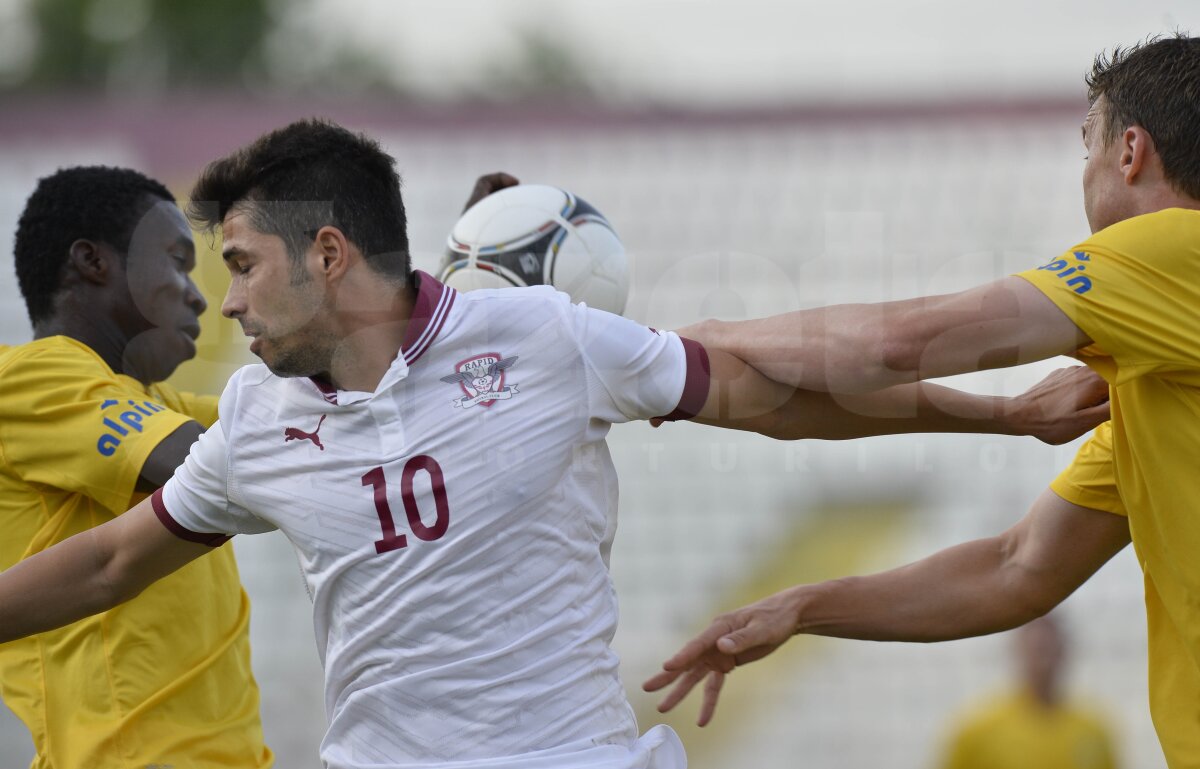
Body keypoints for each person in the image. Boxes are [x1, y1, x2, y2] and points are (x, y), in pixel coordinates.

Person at [0, 119, 1107, 769]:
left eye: (240, 265)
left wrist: (1000, 411)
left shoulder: (541, 338)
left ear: (326, 254)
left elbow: (777, 396)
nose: (229, 302)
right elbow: (106, 560)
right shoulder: (256, 417)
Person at [643, 34, 1200, 769]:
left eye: (1087, 145)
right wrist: (804, 605)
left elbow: (896, 344)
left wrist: (702, 336)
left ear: (1129, 151)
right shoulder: (1157, 381)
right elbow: (1016, 567)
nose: (1085, 169)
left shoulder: (1173, 246)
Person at [0, 166, 272, 767]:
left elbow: (300, 425)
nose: (200, 294)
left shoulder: (159, 405)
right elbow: (233, 460)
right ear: (92, 262)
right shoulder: (27, 375)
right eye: (176, 261)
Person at [938, 615, 1117, 769]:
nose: (1043, 659)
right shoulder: (977, 729)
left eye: (1049, 648)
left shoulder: (1094, 730)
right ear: (1018, 650)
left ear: (1064, 650)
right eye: (1037, 649)